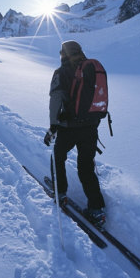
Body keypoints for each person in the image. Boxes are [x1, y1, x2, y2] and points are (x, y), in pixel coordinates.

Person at [44, 40, 106, 227]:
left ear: (63, 54)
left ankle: (60, 192)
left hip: (69, 127)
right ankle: (97, 209)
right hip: (91, 126)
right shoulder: (91, 68)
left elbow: (56, 101)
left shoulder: (61, 72)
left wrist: (53, 127)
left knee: (58, 157)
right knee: (86, 167)